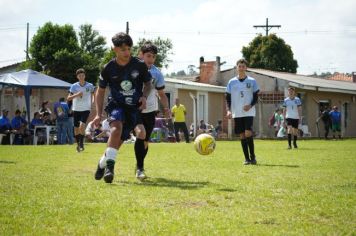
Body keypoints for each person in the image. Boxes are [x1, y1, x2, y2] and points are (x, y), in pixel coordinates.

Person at [93, 32, 153, 183]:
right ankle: (110, 169)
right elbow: (99, 92)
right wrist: (98, 115)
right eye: (123, 49)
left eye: (129, 49)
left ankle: (102, 163)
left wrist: (144, 97)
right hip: (117, 105)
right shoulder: (108, 68)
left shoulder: (139, 65)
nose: (127, 53)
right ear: (114, 49)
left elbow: (148, 84)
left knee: (118, 142)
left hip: (133, 109)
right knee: (116, 130)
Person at [138, 41, 170, 177]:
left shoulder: (157, 73)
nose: (151, 59)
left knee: (145, 141)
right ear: (141, 55)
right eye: (148, 56)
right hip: (135, 109)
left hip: (151, 110)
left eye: (153, 57)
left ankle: (140, 166)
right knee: (141, 134)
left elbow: (162, 94)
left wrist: (167, 108)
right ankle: (140, 168)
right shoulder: (133, 68)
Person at [226, 59, 259, 165]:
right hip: (237, 112)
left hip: (249, 112)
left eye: (243, 66)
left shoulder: (252, 81)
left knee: (248, 132)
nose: (241, 68)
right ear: (236, 68)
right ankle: (246, 159)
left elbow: (256, 97)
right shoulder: (231, 82)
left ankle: (253, 157)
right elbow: (228, 98)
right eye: (239, 66)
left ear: (246, 68)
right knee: (242, 135)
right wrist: (228, 110)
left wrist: (250, 105)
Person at [67, 68, 95, 152]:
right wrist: (77, 94)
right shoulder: (74, 86)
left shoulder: (90, 85)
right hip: (76, 109)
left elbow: (94, 95)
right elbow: (68, 98)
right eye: (80, 76)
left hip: (86, 108)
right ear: (77, 77)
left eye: (83, 75)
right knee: (76, 128)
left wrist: (92, 102)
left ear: (85, 76)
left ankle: (81, 144)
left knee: (82, 126)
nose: (81, 77)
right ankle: (78, 144)